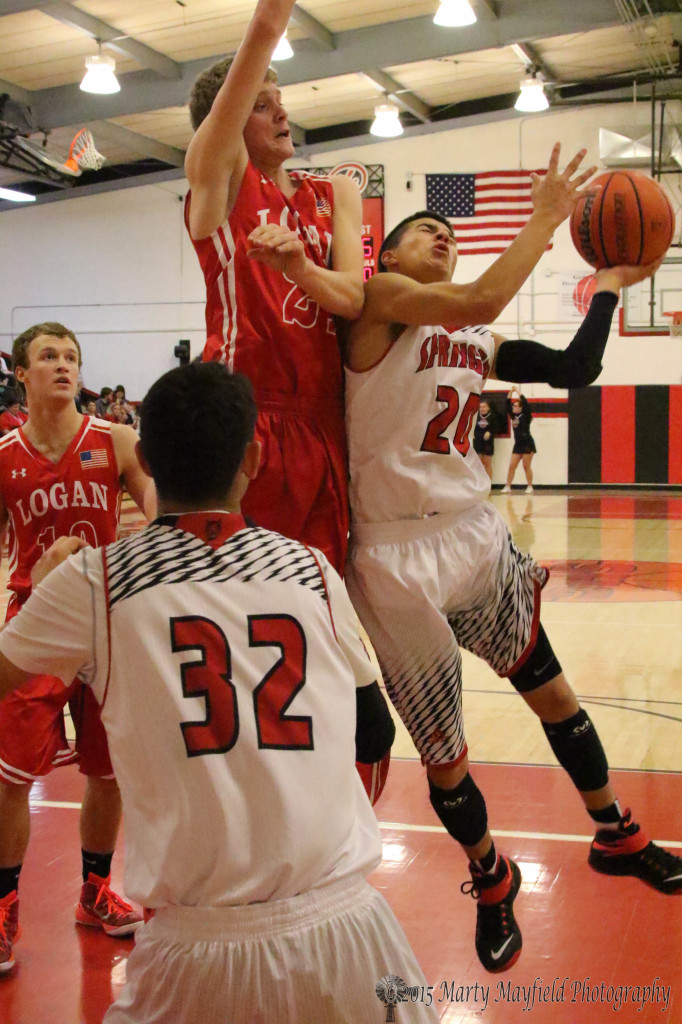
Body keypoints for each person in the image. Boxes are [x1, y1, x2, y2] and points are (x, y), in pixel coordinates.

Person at [0, 362, 436, 1024]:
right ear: (254, 459)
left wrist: (46, 577)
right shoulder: (311, 569)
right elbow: (374, 734)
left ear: (142, 457)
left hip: (198, 950)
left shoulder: (96, 582)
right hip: (349, 928)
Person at [343, 145, 681, 976]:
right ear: (387, 256)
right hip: (392, 554)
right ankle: (492, 879)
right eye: (425, 230)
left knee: (554, 692)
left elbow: (577, 369)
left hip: (472, 533)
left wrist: (605, 289)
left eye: (449, 234)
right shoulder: (380, 306)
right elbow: (479, 291)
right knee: (446, 750)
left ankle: (614, 830)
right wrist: (544, 219)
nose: (442, 238)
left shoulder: (472, 335)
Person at [184, 0, 364, 573]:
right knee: (243, 590)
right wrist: (265, 32)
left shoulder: (334, 192)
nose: (281, 114)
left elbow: (353, 297)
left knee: (323, 593)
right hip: (249, 409)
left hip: (325, 414)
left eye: (281, 102)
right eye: (260, 106)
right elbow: (264, 28)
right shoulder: (221, 179)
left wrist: (301, 272)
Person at [0, 323, 153, 973]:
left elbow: (159, 510)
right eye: (48, 357)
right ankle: (5, 903)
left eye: (71, 357)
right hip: (35, 618)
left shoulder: (117, 440)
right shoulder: (3, 453)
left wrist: (145, 525)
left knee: (107, 769)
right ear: (22, 374)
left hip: (109, 617)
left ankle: (94, 889)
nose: (63, 366)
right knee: (10, 777)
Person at [502, 386, 535, 493]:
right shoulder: (513, 416)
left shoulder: (526, 416)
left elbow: (525, 402)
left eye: (516, 406)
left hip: (527, 443)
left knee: (526, 466)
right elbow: (507, 404)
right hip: (518, 444)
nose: (514, 407)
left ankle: (530, 486)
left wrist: (517, 391)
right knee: (512, 466)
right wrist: (510, 391)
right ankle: (507, 486)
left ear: (521, 408)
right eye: (514, 406)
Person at [472, 397, 497, 481]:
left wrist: (490, 432)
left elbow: (496, 428)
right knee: (478, 464)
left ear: (488, 408)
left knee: (487, 463)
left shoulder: (492, 416)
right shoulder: (475, 416)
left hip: (488, 443)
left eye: (484, 407)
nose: (482, 409)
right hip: (478, 441)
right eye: (480, 407)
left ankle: (489, 484)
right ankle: (478, 484)